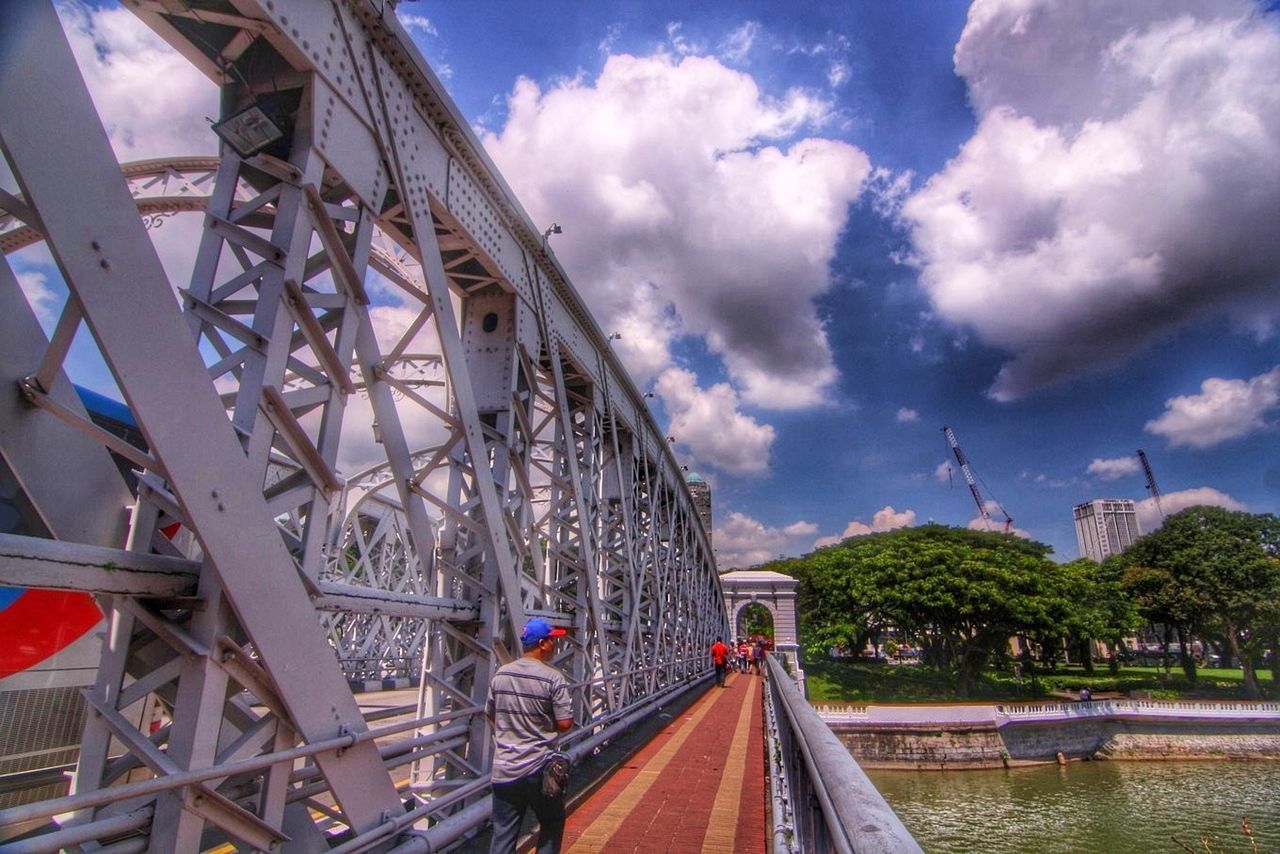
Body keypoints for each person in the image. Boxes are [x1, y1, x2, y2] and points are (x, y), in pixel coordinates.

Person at [487, 618, 573, 854]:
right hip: (539, 767)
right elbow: (565, 723)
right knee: (552, 822)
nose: (555, 645)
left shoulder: (501, 675)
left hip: (504, 768)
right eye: (553, 640)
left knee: (503, 832)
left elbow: (492, 715)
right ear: (543, 643)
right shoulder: (553, 677)